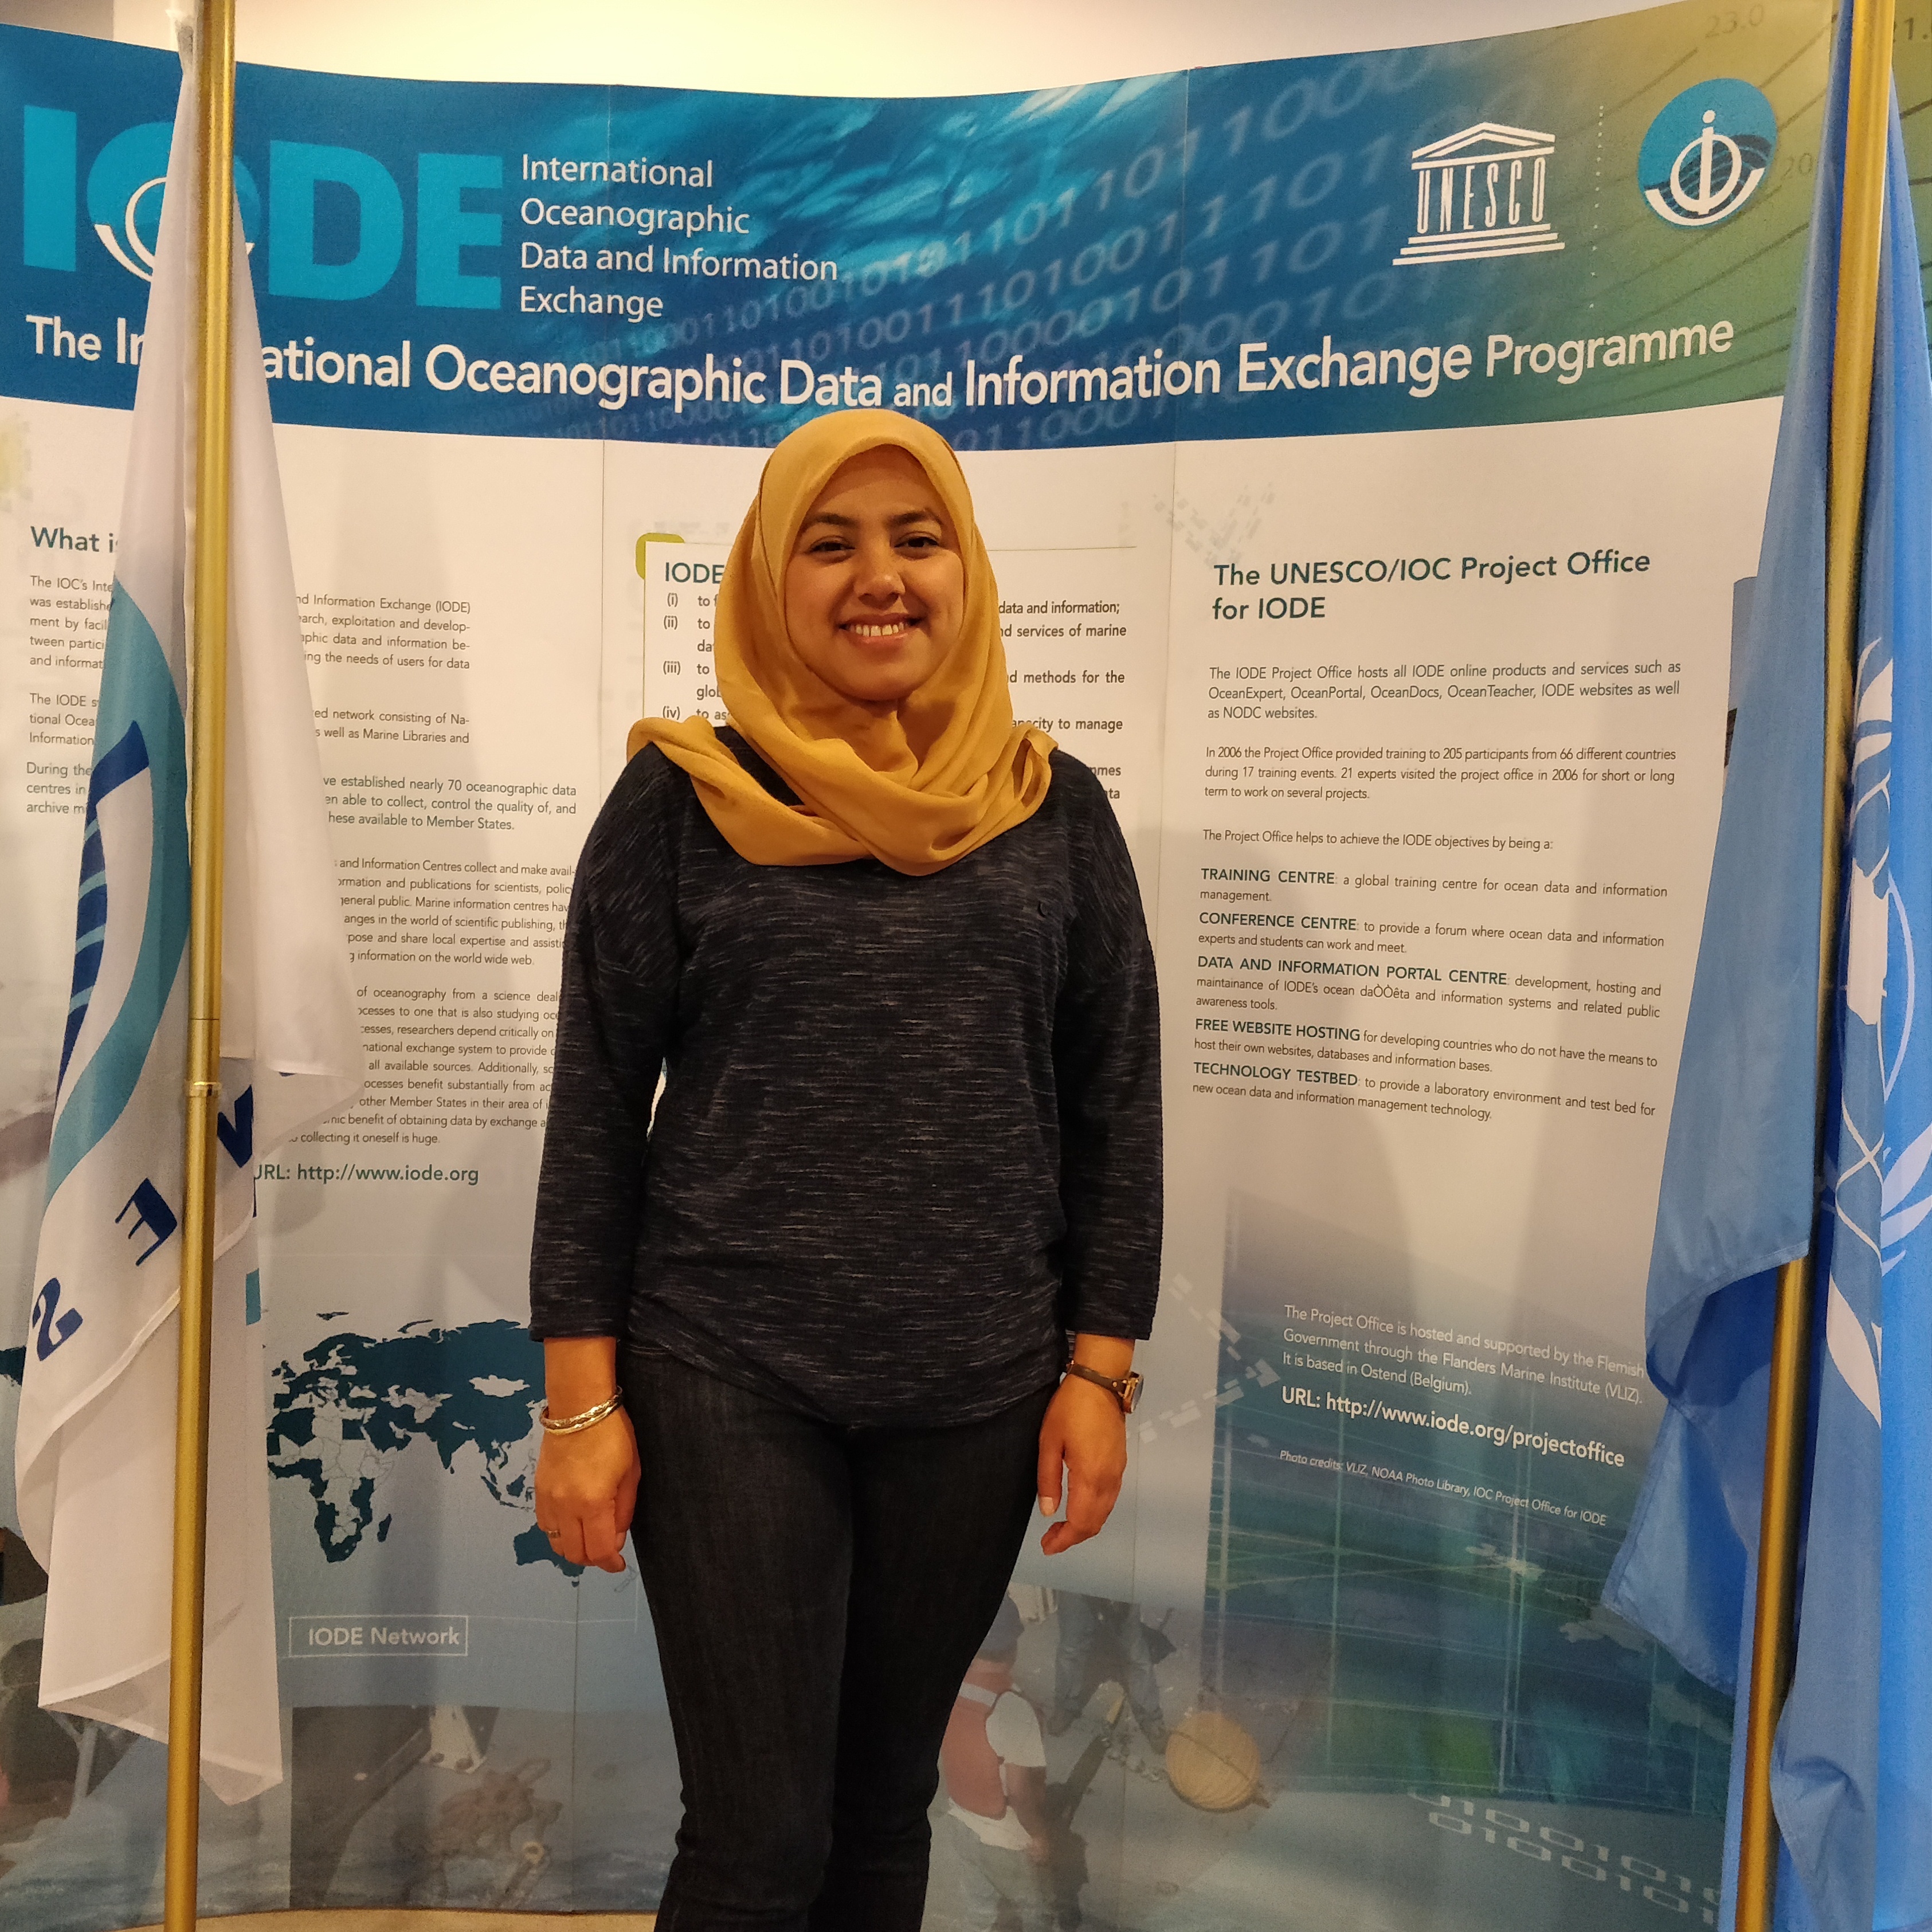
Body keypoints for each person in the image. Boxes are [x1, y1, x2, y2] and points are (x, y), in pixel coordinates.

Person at [527, 407, 1161, 1932]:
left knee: (882, 1812)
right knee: (756, 1839)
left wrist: (1099, 1369)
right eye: (830, 542)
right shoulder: (678, 802)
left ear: (964, 570)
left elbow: (1114, 1106)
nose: (879, 576)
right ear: (769, 576)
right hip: (727, 1372)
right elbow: (596, 1106)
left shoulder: (1056, 810)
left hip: (976, 1387)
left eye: (914, 538)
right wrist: (579, 1405)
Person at [939, 1598, 1052, 1932]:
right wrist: (1039, 1835)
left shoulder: (949, 1685)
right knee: (1035, 1913)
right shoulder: (1012, 1707)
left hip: (959, 1822)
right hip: (1003, 1837)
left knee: (980, 1913)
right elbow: (1019, 1791)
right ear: (1012, 1647)